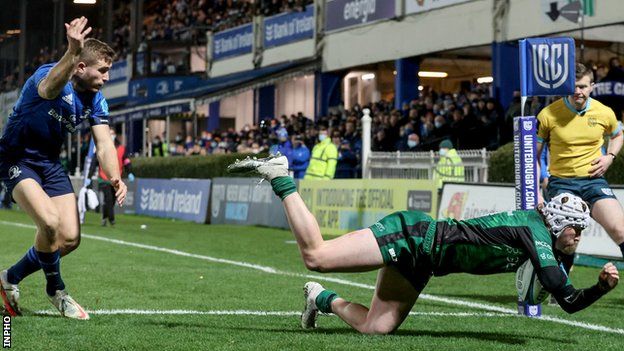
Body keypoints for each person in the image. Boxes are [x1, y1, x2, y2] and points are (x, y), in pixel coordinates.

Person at [228, 155, 619, 334]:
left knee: (376, 327)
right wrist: (601, 286)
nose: (579, 238)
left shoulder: (542, 235)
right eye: (577, 231)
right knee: (316, 256)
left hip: (425, 262)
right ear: (560, 225)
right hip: (414, 237)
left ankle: (320, 299)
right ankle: (281, 176)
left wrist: (569, 259)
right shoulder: (534, 235)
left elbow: (549, 288)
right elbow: (566, 299)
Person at [0, 18, 127, 320]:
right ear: (81, 68)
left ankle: (8, 278)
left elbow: (105, 144)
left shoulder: (96, 100)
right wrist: (72, 52)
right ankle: (57, 290)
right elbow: (48, 89)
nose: (107, 77)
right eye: (103, 70)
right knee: (49, 222)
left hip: (49, 163)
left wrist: (115, 176)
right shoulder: (49, 75)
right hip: (16, 158)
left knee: (69, 238)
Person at [537, 63, 624, 268]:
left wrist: (609, 156)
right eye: (574, 87)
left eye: (583, 87)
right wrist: (538, 186)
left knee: (620, 230)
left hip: (594, 182)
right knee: (567, 237)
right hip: (562, 183)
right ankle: (560, 290)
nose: (578, 92)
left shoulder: (604, 112)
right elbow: (534, 154)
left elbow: (618, 134)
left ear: (592, 86)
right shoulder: (548, 114)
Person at [88, 129, 133, 226]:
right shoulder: (101, 148)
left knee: (112, 200)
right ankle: (112, 220)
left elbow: (126, 161)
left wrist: (129, 172)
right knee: (108, 199)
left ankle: (104, 217)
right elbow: (94, 163)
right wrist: (89, 176)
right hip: (103, 178)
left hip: (116, 179)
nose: (111, 135)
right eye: (109, 133)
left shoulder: (121, 148)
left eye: (112, 133)